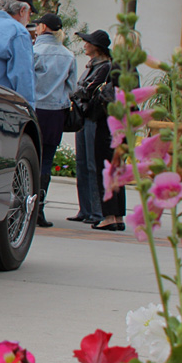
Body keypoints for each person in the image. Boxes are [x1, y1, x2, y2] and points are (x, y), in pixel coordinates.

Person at [32, 12, 77, 227]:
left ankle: (25, 205)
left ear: (43, 28)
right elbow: (72, 88)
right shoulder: (68, 55)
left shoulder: (34, 51)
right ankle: (39, 209)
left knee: (27, 156)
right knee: (46, 162)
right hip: (56, 113)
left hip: (34, 108)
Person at [92, 32, 137, 232]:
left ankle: (108, 216)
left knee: (107, 169)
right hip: (126, 125)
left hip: (111, 125)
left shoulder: (115, 67)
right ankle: (118, 215)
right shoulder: (133, 69)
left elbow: (110, 95)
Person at [67, 29, 112, 225]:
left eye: (88, 42)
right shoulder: (92, 65)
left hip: (94, 117)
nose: (84, 44)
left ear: (97, 46)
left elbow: (87, 90)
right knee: (82, 164)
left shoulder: (105, 67)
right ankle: (85, 209)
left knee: (93, 165)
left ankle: (96, 210)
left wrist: (75, 92)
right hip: (84, 116)